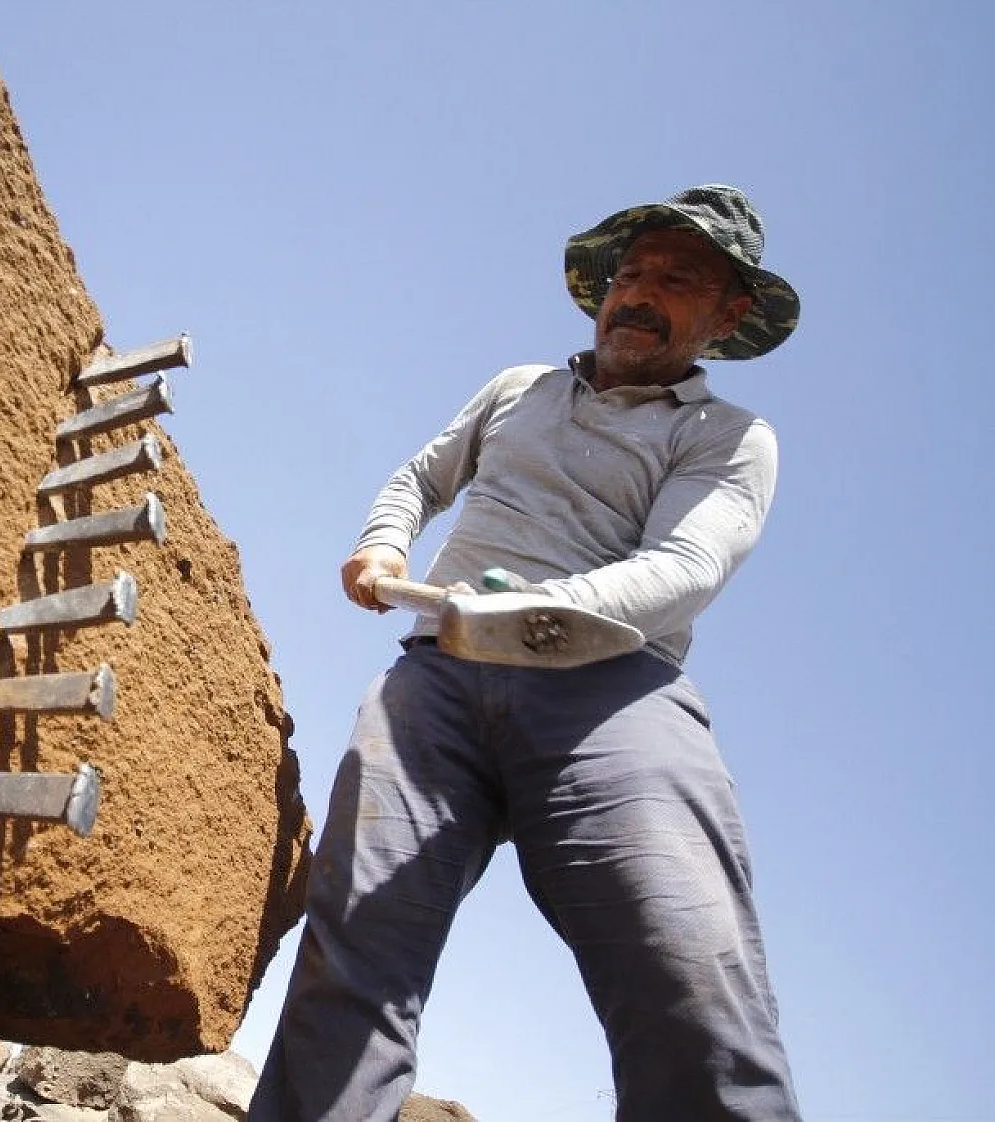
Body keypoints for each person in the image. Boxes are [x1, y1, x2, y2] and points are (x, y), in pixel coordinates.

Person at [248, 186, 804, 1122]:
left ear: (727, 314)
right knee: (355, 945)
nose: (638, 291)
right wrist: (386, 542)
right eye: (629, 272)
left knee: (689, 968)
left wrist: (537, 610)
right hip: (436, 677)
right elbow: (422, 476)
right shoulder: (519, 389)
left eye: (676, 278)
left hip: (617, 697)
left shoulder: (729, 437)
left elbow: (686, 565)